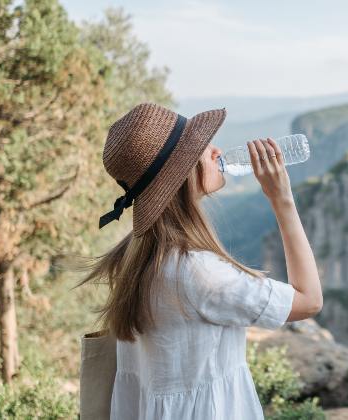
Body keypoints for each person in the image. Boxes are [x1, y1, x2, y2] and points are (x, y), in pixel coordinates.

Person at [74, 103, 322, 419]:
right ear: (182, 174)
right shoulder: (198, 272)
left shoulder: (137, 255)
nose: (215, 150)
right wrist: (283, 201)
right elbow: (309, 301)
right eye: (200, 148)